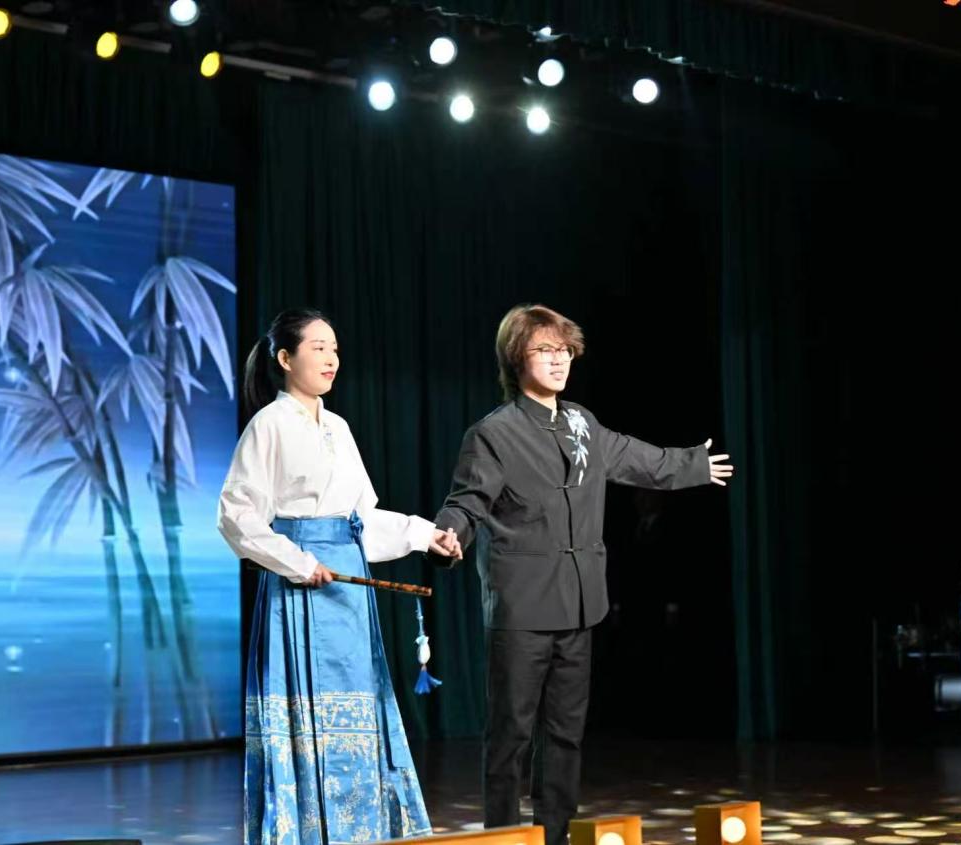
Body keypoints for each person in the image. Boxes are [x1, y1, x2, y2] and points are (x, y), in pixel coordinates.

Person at [432, 304, 734, 845]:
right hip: (523, 606)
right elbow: (467, 501)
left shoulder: (581, 422)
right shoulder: (494, 434)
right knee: (511, 737)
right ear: (515, 358)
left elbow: (634, 457)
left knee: (565, 735)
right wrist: (449, 534)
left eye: (565, 350)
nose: (558, 360)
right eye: (544, 350)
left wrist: (692, 464)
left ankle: (555, 835)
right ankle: (504, 837)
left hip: (579, 603)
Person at [218, 308, 461, 845]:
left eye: (334, 348)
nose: (331, 359)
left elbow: (361, 520)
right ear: (286, 359)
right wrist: (298, 562)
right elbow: (236, 515)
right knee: (310, 718)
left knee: (356, 715)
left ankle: (361, 831)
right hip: (300, 591)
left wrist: (425, 535)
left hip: (347, 594)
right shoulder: (269, 425)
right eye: (318, 348)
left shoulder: (339, 428)